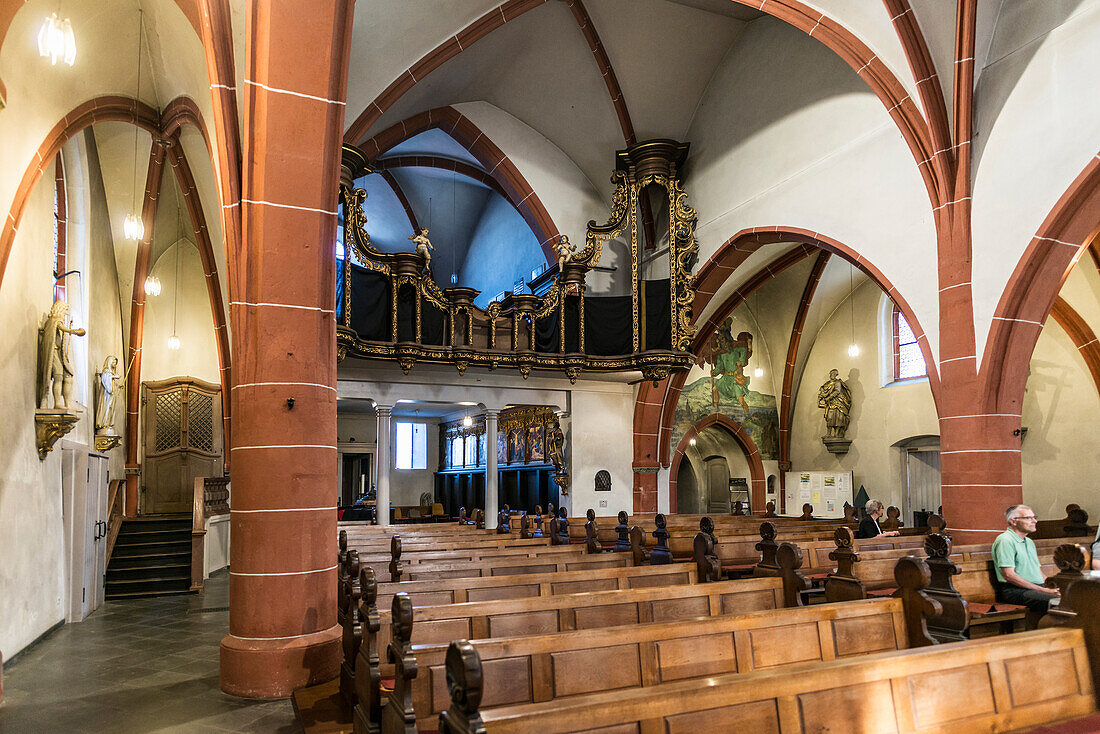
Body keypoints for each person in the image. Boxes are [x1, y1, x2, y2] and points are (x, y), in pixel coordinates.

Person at [992, 505, 1059, 621]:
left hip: (1036, 589)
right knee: (1056, 602)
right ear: (1013, 521)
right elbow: (1009, 575)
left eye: (1034, 517)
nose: (1035, 521)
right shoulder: (1005, 540)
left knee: (1072, 597)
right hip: (1015, 590)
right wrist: (1044, 590)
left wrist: (1054, 586)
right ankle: (1045, 635)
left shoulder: (1029, 542)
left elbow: (1037, 571)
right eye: (1028, 518)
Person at [817, 369, 852, 439]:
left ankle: (837, 434)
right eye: (831, 373)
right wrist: (822, 397)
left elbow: (837, 391)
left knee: (839, 418)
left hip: (839, 403)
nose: (832, 375)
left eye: (834, 374)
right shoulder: (827, 384)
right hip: (830, 404)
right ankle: (828, 433)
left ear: (836, 375)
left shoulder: (837, 382)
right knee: (829, 418)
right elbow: (823, 391)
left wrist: (829, 397)